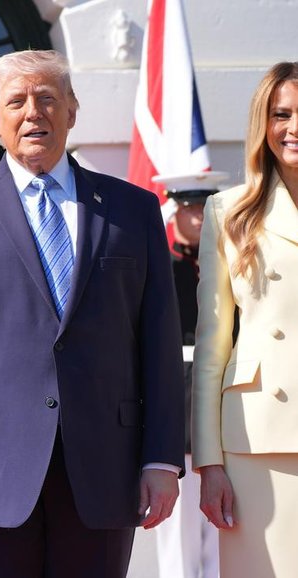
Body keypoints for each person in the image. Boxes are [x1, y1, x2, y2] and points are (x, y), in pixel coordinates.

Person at [0, 49, 185, 577]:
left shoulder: (133, 209)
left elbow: (160, 342)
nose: (34, 113)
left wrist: (162, 458)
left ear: (72, 111)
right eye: (17, 102)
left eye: (48, 98)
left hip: (105, 466)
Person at [193, 61, 298, 578]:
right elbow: (212, 346)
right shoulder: (228, 211)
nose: (294, 127)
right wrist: (209, 462)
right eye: (282, 114)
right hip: (257, 441)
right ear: (263, 123)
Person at [152, 171, 228, 578]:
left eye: (204, 208)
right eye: (189, 208)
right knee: (179, 531)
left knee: (224, 530)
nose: (198, 217)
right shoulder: (160, 268)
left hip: (225, 408)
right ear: (173, 212)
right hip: (178, 405)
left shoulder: (233, 264)